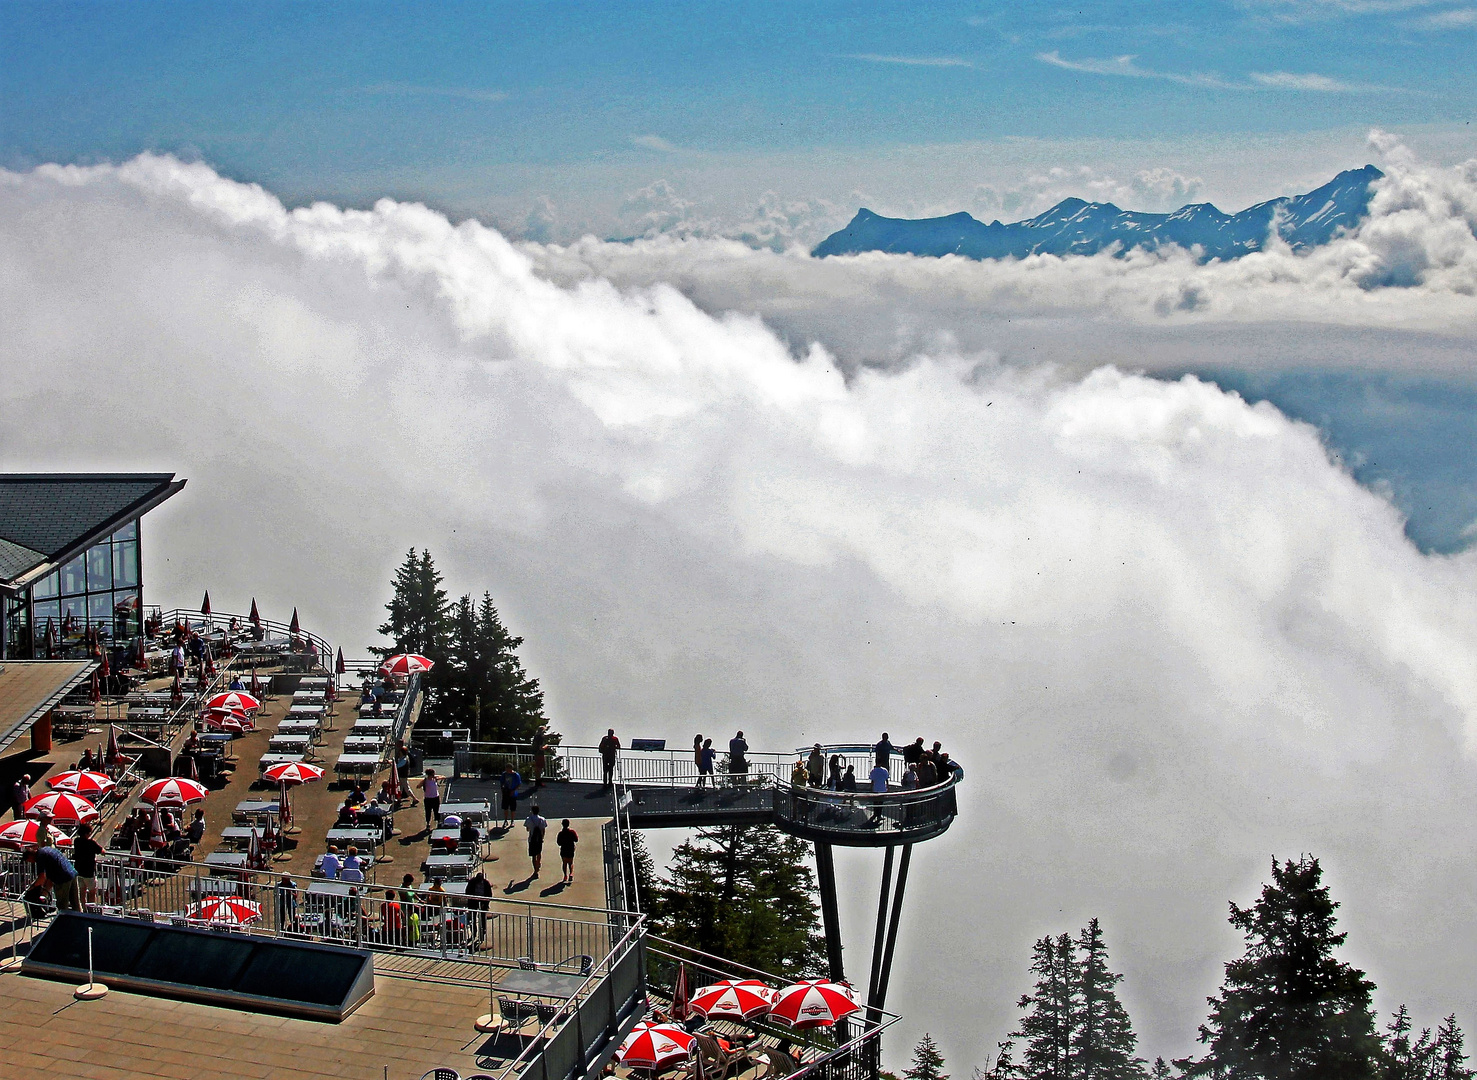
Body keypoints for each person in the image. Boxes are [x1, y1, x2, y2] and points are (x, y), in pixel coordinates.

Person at [30, 843, 80, 912]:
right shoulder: (46, 850)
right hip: (71, 873)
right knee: (75, 903)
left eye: (29, 861)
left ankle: (64, 921)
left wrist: (32, 888)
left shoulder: (40, 856)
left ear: (30, 856)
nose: (31, 862)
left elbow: (42, 877)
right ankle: (79, 920)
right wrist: (44, 893)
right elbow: (50, 880)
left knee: (62, 905)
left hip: (63, 878)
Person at [72, 823, 104, 905]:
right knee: (92, 892)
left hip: (78, 870)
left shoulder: (76, 841)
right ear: (86, 833)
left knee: (82, 892)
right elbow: (102, 851)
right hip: (89, 872)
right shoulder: (91, 843)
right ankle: (91, 909)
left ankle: (83, 908)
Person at [465, 869, 493, 943]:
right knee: (473, 918)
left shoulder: (486, 883)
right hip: (473, 902)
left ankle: (483, 930)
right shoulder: (472, 882)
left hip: (483, 902)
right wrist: (471, 901)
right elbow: (467, 892)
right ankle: (474, 932)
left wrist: (486, 904)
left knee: (483, 917)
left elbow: (489, 895)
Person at [524, 804, 548, 878]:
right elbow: (543, 830)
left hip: (532, 839)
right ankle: (539, 862)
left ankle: (535, 870)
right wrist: (542, 837)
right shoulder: (542, 819)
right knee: (539, 853)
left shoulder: (529, 819)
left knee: (533, 855)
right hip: (539, 839)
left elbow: (527, 829)